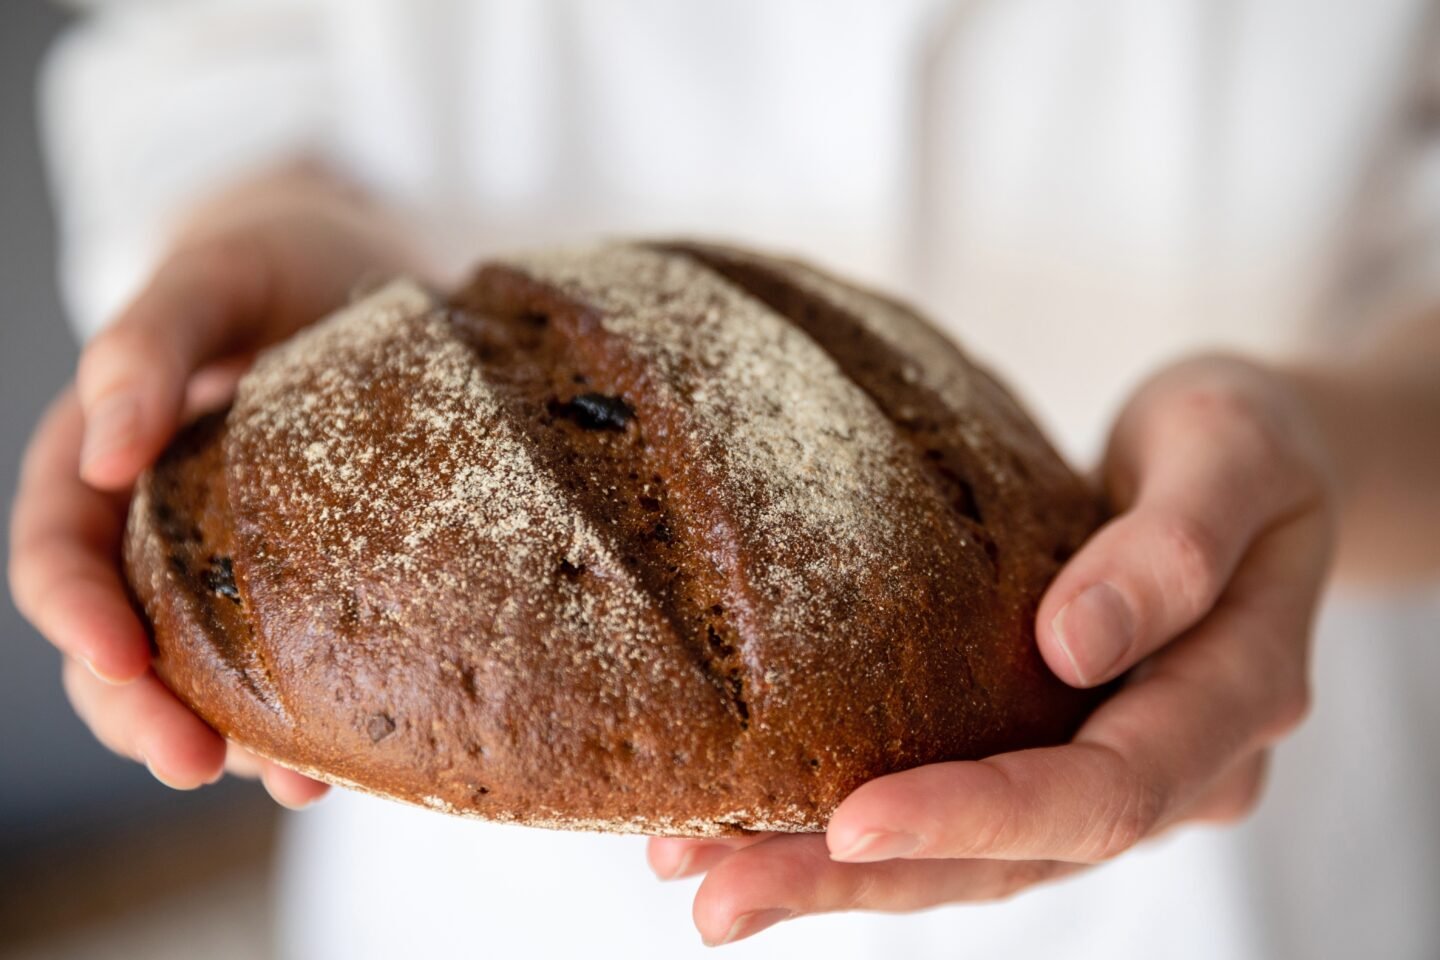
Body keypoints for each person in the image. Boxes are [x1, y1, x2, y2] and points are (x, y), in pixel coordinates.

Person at [11, 1, 1440, 956]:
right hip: (470, 870)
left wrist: (1331, 448)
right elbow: (204, 57)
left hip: (1242, 866)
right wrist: (257, 224)